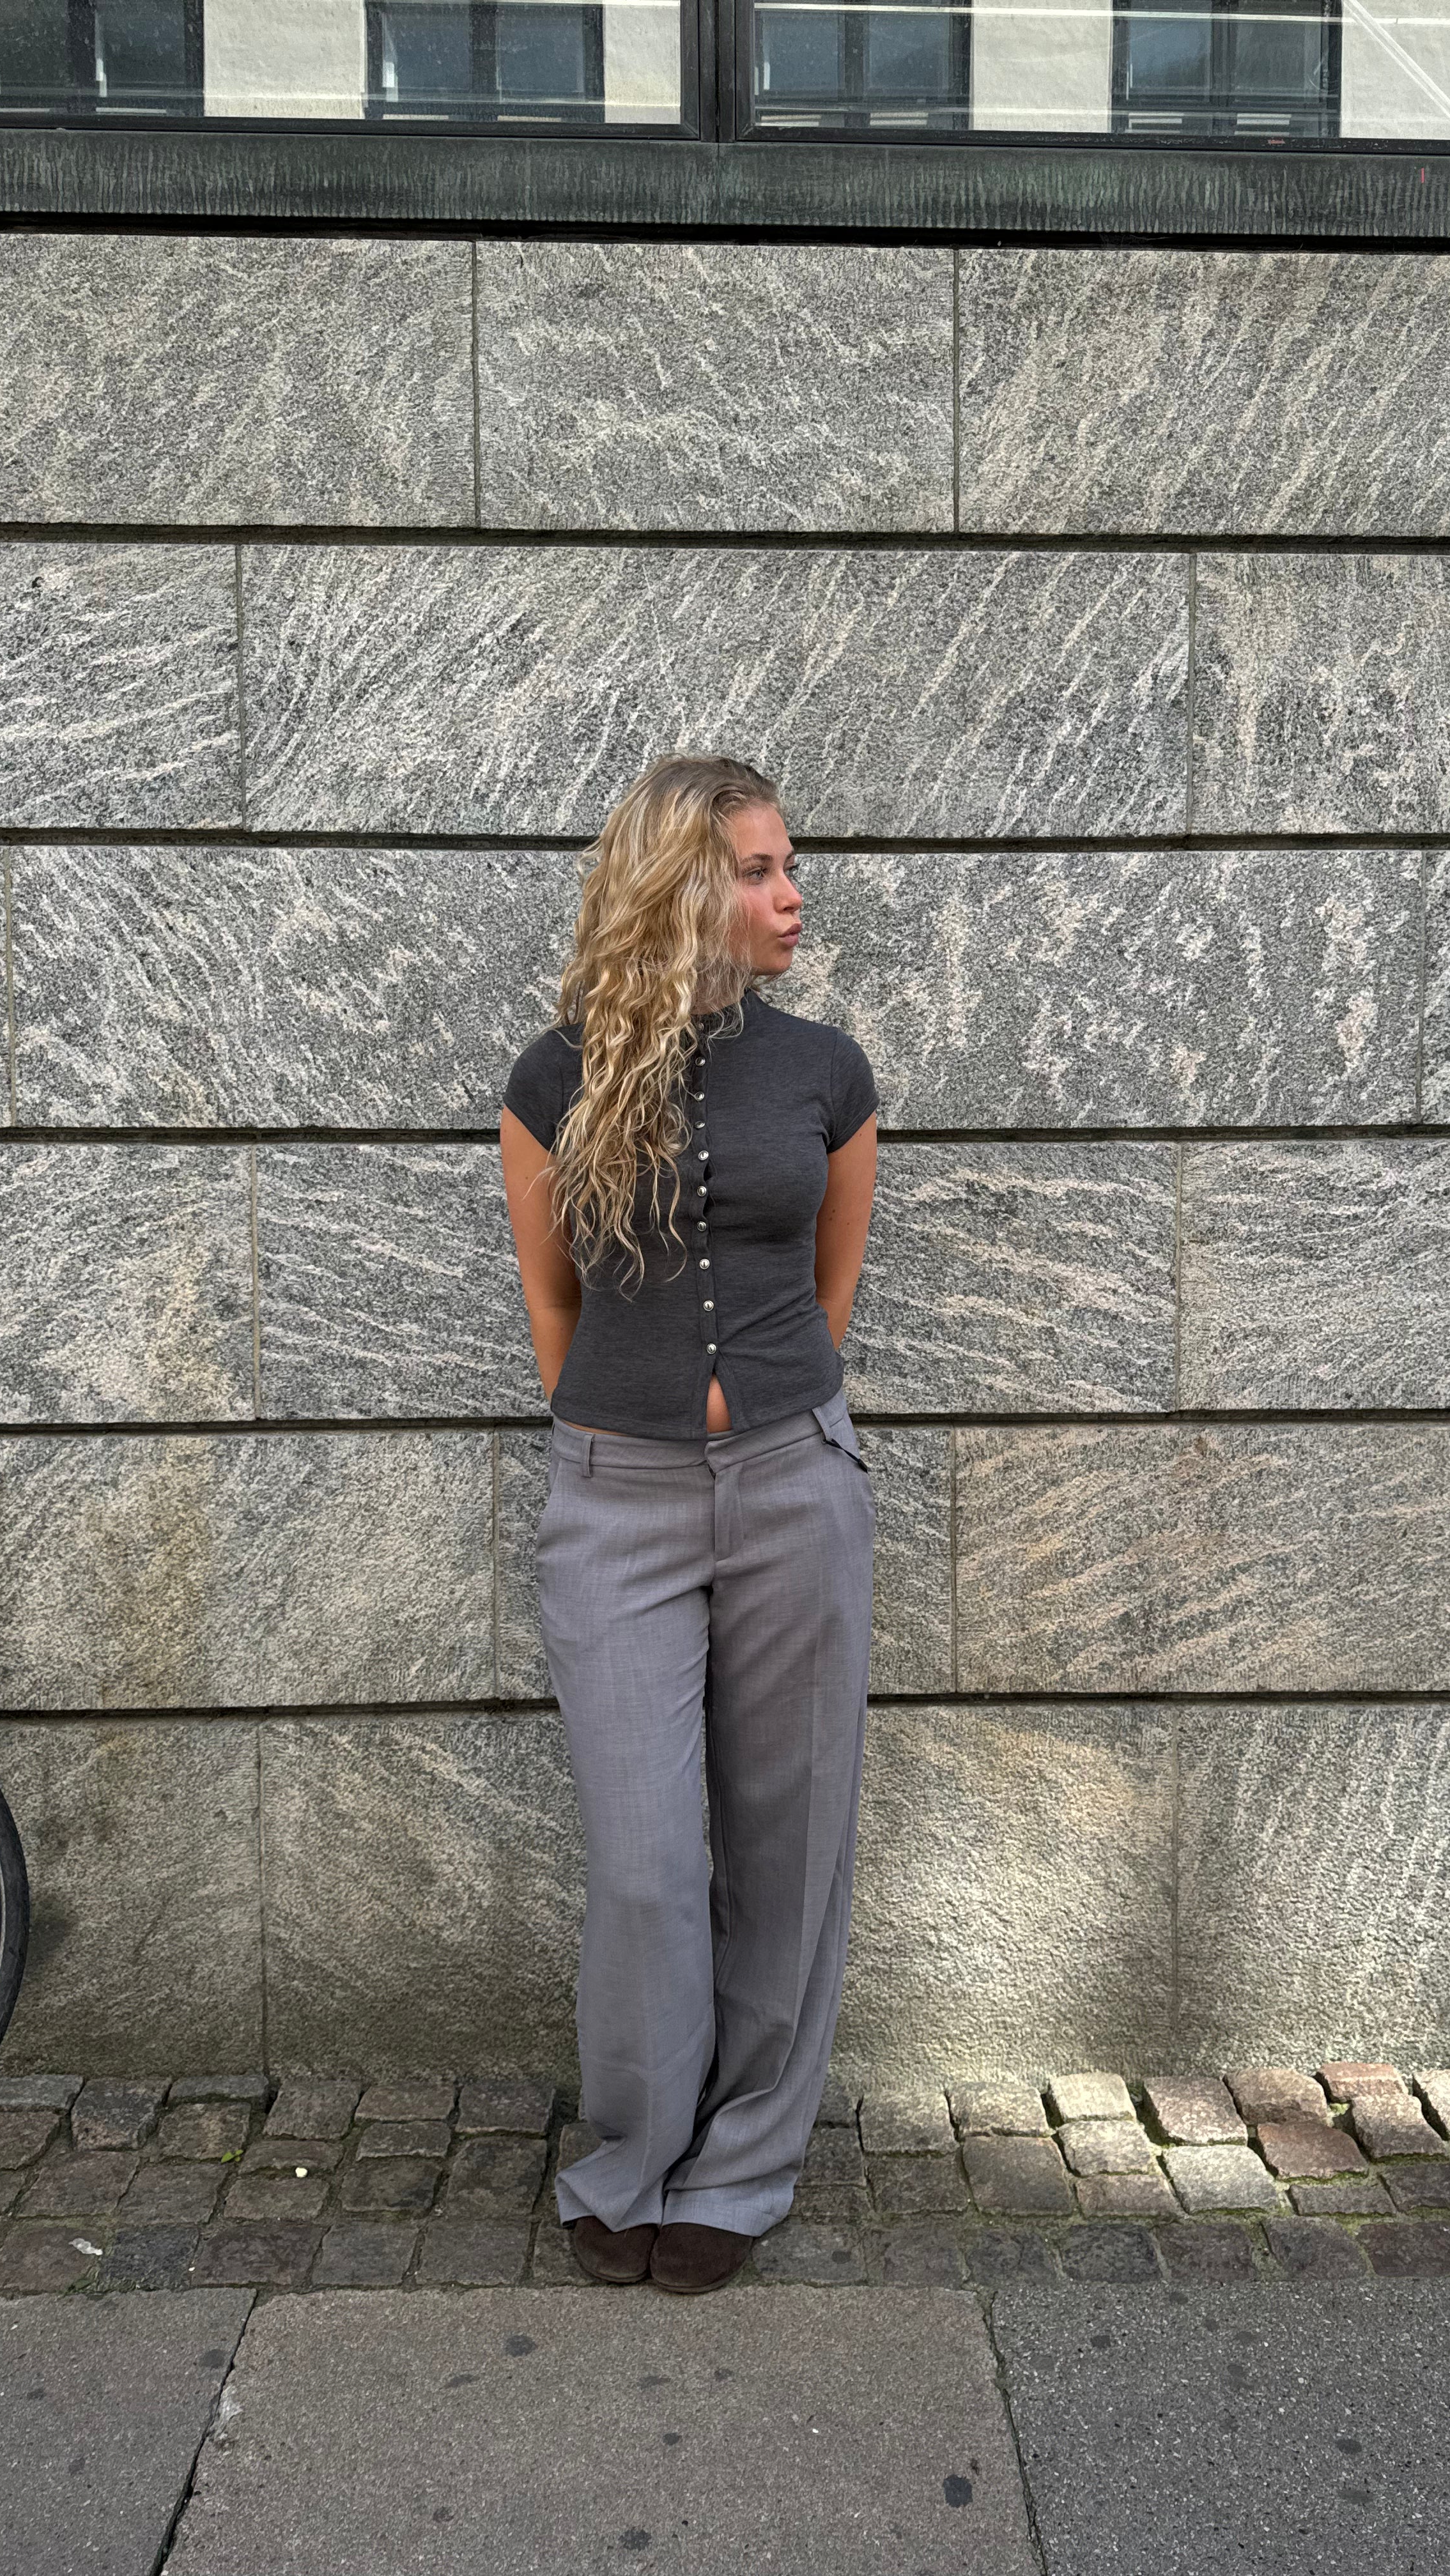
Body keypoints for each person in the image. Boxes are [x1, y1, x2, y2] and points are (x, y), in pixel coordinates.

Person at [498, 753, 880, 2296]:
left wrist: (769, 1421)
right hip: (618, 1501)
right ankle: (635, 2153)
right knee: (648, 1862)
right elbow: (553, 1303)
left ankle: (743, 2165)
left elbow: (832, 1290)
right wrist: (634, 1430)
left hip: (794, 1482)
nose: (793, 896)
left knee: (790, 1846)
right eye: (761, 870)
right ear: (680, 887)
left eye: (792, 868)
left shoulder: (827, 1074)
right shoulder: (555, 1079)